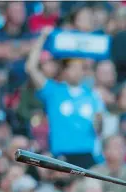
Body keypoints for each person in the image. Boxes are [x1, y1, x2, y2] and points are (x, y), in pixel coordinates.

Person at [25, 27, 106, 169]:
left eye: (80, 68)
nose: (77, 71)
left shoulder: (93, 95)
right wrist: (42, 38)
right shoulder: (53, 91)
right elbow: (31, 68)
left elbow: (99, 130)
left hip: (87, 154)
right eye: (73, 67)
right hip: (61, 154)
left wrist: (99, 124)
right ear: (64, 70)